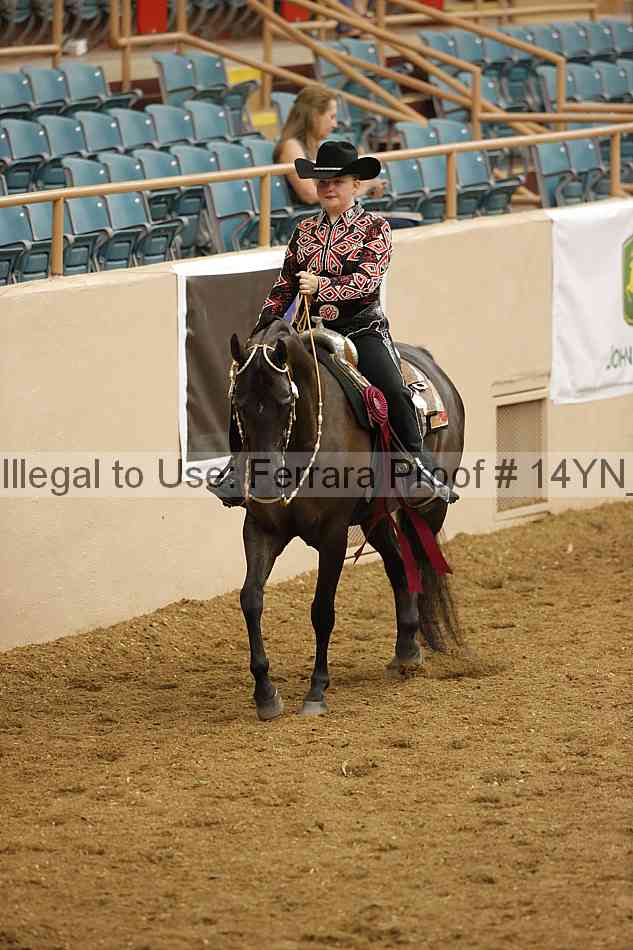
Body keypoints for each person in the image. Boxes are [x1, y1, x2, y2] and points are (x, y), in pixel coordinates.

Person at [209, 140, 457, 510]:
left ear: (355, 185)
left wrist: (320, 286)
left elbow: (367, 281)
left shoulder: (376, 228)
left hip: (361, 329)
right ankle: (238, 467)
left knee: (392, 387)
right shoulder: (304, 230)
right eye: (323, 181)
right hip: (308, 331)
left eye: (337, 181)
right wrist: (264, 325)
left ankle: (417, 465)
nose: (328, 188)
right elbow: (284, 285)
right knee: (251, 383)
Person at [274, 85, 385, 207]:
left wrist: (367, 186)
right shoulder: (291, 146)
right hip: (312, 216)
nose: (335, 124)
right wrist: (364, 187)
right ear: (315, 117)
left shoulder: (317, 146)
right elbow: (310, 194)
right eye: (332, 117)